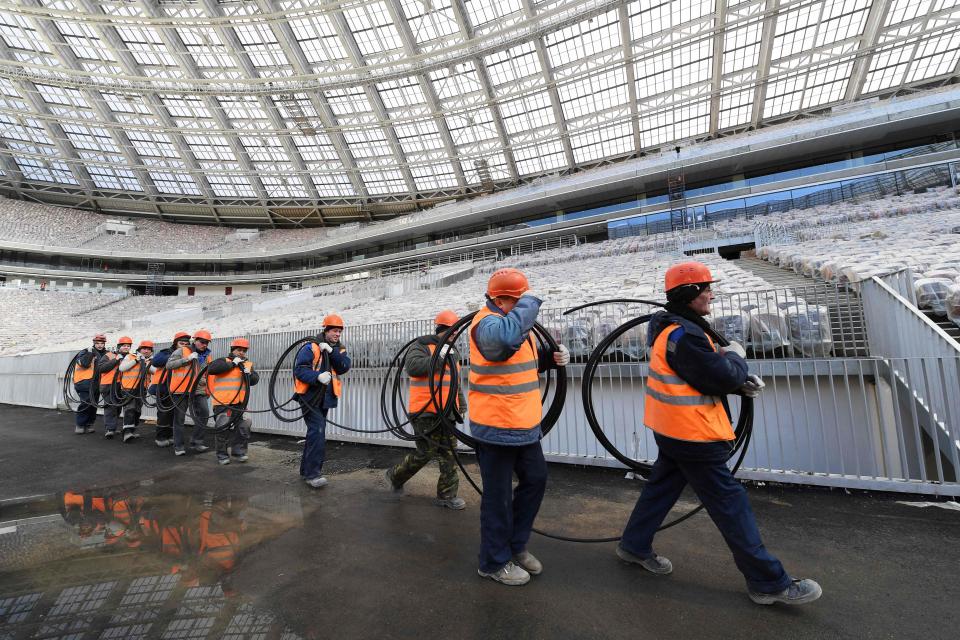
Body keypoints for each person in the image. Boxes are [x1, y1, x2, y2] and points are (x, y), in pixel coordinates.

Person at [616, 261, 821, 606]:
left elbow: (703, 375)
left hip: (673, 429)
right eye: (705, 288)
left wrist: (737, 380)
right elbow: (719, 376)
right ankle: (768, 582)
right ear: (689, 294)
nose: (711, 293)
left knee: (661, 490)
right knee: (730, 503)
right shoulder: (684, 334)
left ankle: (634, 546)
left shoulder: (678, 329)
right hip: (693, 435)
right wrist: (738, 362)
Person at [469, 268, 570, 586]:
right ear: (503, 299)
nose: (524, 306)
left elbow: (516, 362)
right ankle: (493, 561)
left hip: (524, 426)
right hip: (496, 426)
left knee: (536, 480)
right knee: (497, 498)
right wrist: (530, 301)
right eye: (519, 299)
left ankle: (515, 546)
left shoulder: (514, 324)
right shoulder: (486, 322)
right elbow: (501, 344)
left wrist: (550, 358)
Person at [385, 309, 467, 509]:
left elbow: (454, 381)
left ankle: (447, 496)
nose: (454, 334)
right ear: (442, 329)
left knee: (449, 453)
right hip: (425, 411)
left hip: (447, 412)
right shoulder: (421, 345)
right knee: (425, 453)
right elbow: (413, 367)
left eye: (456, 332)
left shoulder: (453, 352)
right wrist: (439, 358)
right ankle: (395, 475)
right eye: (451, 331)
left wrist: (461, 403)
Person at [293, 314, 351, 488]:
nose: (337, 334)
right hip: (310, 397)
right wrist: (317, 376)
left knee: (315, 433)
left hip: (325, 399)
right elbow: (300, 370)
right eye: (334, 330)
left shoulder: (338, 349)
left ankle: (306, 471)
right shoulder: (311, 347)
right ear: (325, 330)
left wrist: (331, 351)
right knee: (317, 433)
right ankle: (313, 475)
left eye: (339, 331)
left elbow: (344, 367)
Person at [206, 338, 259, 465]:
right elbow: (212, 369)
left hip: (240, 404)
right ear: (232, 350)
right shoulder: (223, 361)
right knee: (222, 429)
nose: (241, 353)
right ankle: (222, 455)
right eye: (239, 350)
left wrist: (250, 375)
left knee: (245, 425)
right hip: (223, 403)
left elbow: (255, 380)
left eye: (244, 351)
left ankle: (239, 451)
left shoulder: (247, 365)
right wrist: (233, 364)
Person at [165, 330, 213, 456]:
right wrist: (187, 359)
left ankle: (197, 441)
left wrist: (208, 389)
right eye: (202, 342)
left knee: (204, 413)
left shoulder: (208, 356)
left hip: (198, 390)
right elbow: (169, 365)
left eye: (206, 343)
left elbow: (207, 375)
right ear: (195, 341)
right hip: (181, 390)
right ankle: (179, 446)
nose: (204, 345)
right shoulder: (181, 351)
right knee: (179, 419)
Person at [150, 332, 188, 447]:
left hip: (178, 389)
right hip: (163, 389)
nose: (184, 346)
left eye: (186, 344)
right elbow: (155, 362)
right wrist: (175, 357)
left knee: (175, 415)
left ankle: (171, 436)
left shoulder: (189, 354)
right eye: (181, 343)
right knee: (164, 414)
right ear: (175, 343)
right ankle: (161, 437)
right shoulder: (166, 352)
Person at [117, 340, 154, 443]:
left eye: (148, 349)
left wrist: (148, 365)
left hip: (142, 389)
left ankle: (132, 430)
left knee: (137, 410)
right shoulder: (130, 357)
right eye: (144, 349)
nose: (146, 351)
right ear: (139, 349)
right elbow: (122, 368)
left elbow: (155, 372)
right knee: (129, 408)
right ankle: (127, 432)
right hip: (128, 388)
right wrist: (136, 361)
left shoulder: (151, 360)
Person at [97, 336, 132, 439]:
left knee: (117, 407)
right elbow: (101, 368)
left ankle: (113, 427)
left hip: (121, 386)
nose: (126, 347)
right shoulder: (109, 355)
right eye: (124, 345)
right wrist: (116, 360)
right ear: (119, 346)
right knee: (110, 407)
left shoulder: (130, 357)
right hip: (108, 385)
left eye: (128, 346)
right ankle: (110, 429)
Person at [72, 334, 106, 434]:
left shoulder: (105, 354)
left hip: (97, 383)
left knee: (93, 404)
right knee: (86, 403)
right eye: (97, 343)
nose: (100, 345)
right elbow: (84, 363)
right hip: (84, 382)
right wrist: (90, 354)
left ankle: (90, 424)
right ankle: (80, 424)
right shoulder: (85, 352)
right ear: (93, 343)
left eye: (102, 343)